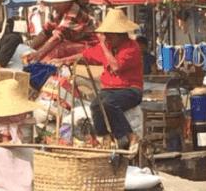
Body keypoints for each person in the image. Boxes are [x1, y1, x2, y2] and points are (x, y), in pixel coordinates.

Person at [51, 9, 143, 149]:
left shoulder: (131, 48)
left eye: (109, 36)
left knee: (108, 103)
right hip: (110, 90)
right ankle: (104, 136)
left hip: (130, 89)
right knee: (95, 105)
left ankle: (129, 135)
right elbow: (85, 55)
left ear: (119, 35)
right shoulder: (107, 46)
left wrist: (104, 47)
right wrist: (63, 60)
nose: (107, 38)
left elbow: (116, 67)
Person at [26, 0, 98, 63]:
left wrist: (39, 54)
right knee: (40, 49)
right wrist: (28, 48)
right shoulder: (58, 13)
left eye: (57, 3)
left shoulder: (75, 13)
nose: (54, 5)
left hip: (89, 46)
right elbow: (46, 32)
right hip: (72, 43)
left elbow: (58, 37)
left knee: (56, 51)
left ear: (67, 2)